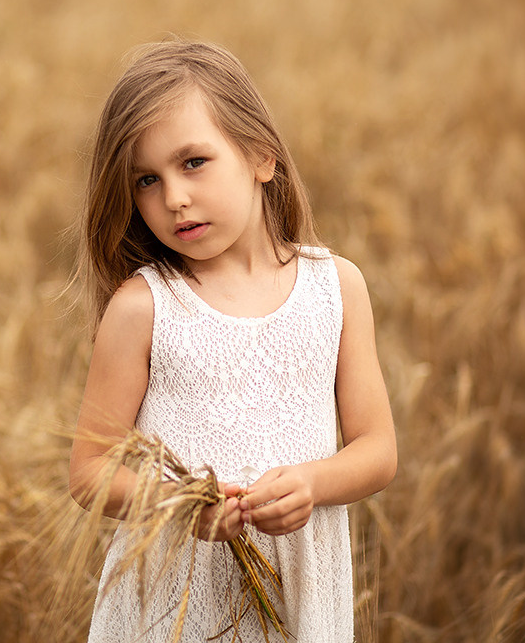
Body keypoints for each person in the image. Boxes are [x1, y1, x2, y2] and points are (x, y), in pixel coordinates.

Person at [68, 39, 397, 642]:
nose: (173, 198)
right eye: (146, 179)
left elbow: (378, 449)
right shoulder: (145, 308)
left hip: (300, 604)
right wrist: (182, 501)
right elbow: (89, 473)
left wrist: (313, 484)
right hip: (174, 613)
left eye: (193, 162)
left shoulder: (336, 289)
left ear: (260, 157)